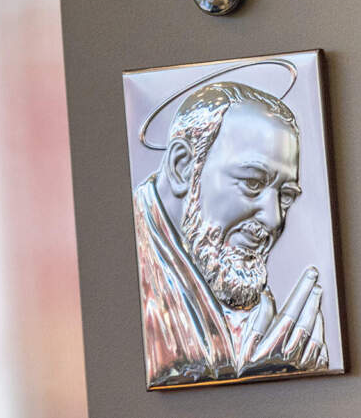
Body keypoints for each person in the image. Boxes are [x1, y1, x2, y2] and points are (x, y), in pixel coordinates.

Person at [132, 80, 328, 386]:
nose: (274, 219)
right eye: (252, 183)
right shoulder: (128, 271)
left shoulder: (249, 291)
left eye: (286, 196)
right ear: (183, 166)